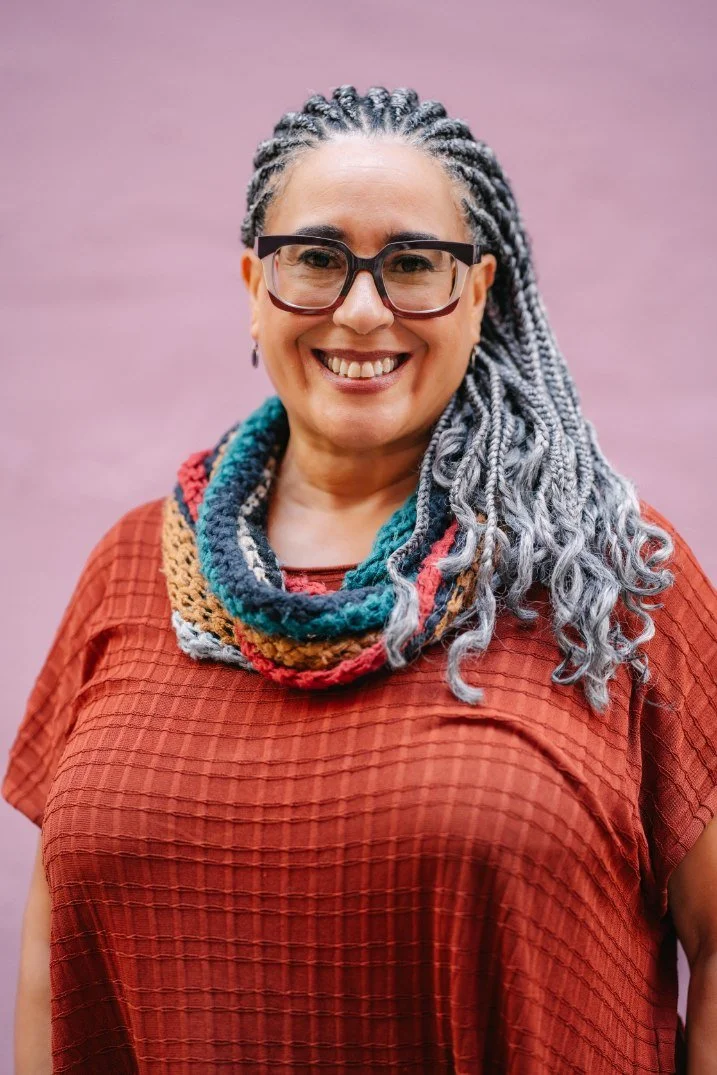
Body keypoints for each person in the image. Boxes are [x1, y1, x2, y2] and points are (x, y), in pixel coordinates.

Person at [4, 84, 716, 1074]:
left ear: (480, 292)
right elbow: (53, 952)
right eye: (317, 260)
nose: (363, 308)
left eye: (415, 264)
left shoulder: (612, 576)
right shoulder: (131, 567)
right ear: (253, 281)